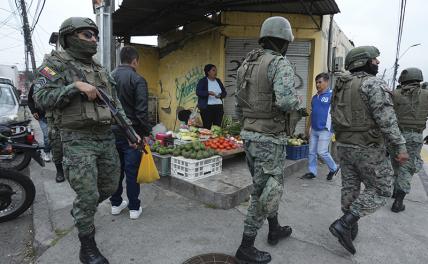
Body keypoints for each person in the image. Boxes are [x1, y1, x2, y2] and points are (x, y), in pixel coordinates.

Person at [33, 17, 134, 264]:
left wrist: (130, 131)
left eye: (95, 36)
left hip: (104, 136)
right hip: (76, 139)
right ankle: (87, 248)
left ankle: (81, 211)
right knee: (88, 195)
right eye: (87, 35)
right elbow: (41, 98)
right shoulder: (54, 65)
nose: (94, 40)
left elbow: (115, 104)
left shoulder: (99, 68)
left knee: (110, 187)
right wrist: (74, 87)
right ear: (69, 37)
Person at [234, 16, 303, 264]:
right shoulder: (279, 63)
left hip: (250, 136)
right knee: (266, 191)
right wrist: (298, 105)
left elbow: (238, 107)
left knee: (264, 186)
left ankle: (274, 228)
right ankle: (245, 247)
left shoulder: (246, 64)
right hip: (269, 139)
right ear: (283, 41)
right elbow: (286, 102)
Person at [329, 46, 409, 255]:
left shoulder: (340, 85)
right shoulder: (372, 84)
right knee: (382, 189)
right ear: (362, 61)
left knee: (350, 186)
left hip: (344, 146)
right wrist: (400, 147)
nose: (378, 63)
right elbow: (387, 120)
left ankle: (349, 228)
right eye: (374, 60)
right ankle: (345, 224)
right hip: (368, 148)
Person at [109, 46, 151, 220]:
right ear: (135, 61)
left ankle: (116, 204)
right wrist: (146, 132)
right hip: (132, 134)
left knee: (115, 170)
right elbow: (141, 111)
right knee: (132, 171)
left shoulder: (108, 77)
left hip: (111, 132)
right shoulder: (137, 79)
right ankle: (134, 208)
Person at [390, 67, 428, 213]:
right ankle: (398, 202)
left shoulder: (395, 94)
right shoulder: (426, 95)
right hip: (415, 136)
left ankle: (395, 191)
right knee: (407, 167)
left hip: (396, 135)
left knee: (396, 164)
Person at [301, 73, 339, 180]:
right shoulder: (314, 97)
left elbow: (338, 112)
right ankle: (312, 172)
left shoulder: (332, 96)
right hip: (314, 129)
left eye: (320, 82)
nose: (317, 84)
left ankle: (334, 167)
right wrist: (308, 127)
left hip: (325, 129)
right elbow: (312, 113)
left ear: (327, 82)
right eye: (316, 82)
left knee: (322, 152)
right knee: (311, 152)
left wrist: (337, 129)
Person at [196, 64, 227, 129]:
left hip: (218, 107)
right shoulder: (203, 81)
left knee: (217, 127)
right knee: (207, 127)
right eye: (213, 70)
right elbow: (198, 92)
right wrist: (208, 92)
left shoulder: (218, 81)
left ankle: (216, 139)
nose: (215, 72)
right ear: (208, 72)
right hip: (207, 108)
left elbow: (224, 93)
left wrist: (220, 95)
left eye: (216, 70)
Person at [27, 84, 52, 163]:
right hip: (42, 116)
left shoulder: (55, 81)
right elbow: (30, 100)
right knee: (47, 135)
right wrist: (33, 111)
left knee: (56, 136)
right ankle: (47, 153)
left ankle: (56, 154)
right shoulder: (35, 85)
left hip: (55, 115)